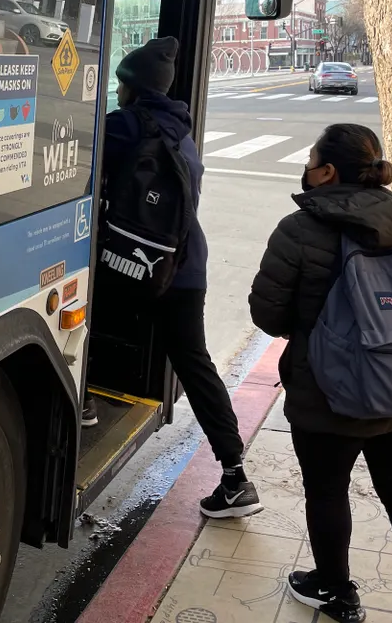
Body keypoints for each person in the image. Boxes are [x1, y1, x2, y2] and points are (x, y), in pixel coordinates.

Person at [248, 124, 392, 623]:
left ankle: (337, 591)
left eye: (312, 159)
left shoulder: (298, 229)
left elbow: (267, 315)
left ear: (328, 171)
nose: (307, 168)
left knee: (327, 492)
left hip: (325, 392)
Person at [85, 36, 262, 520]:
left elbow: (74, 157)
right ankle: (234, 476)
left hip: (131, 262)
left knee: (84, 317)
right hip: (182, 267)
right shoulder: (180, 129)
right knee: (195, 365)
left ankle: (82, 404)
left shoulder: (124, 126)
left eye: (121, 84)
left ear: (131, 87)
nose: (117, 92)